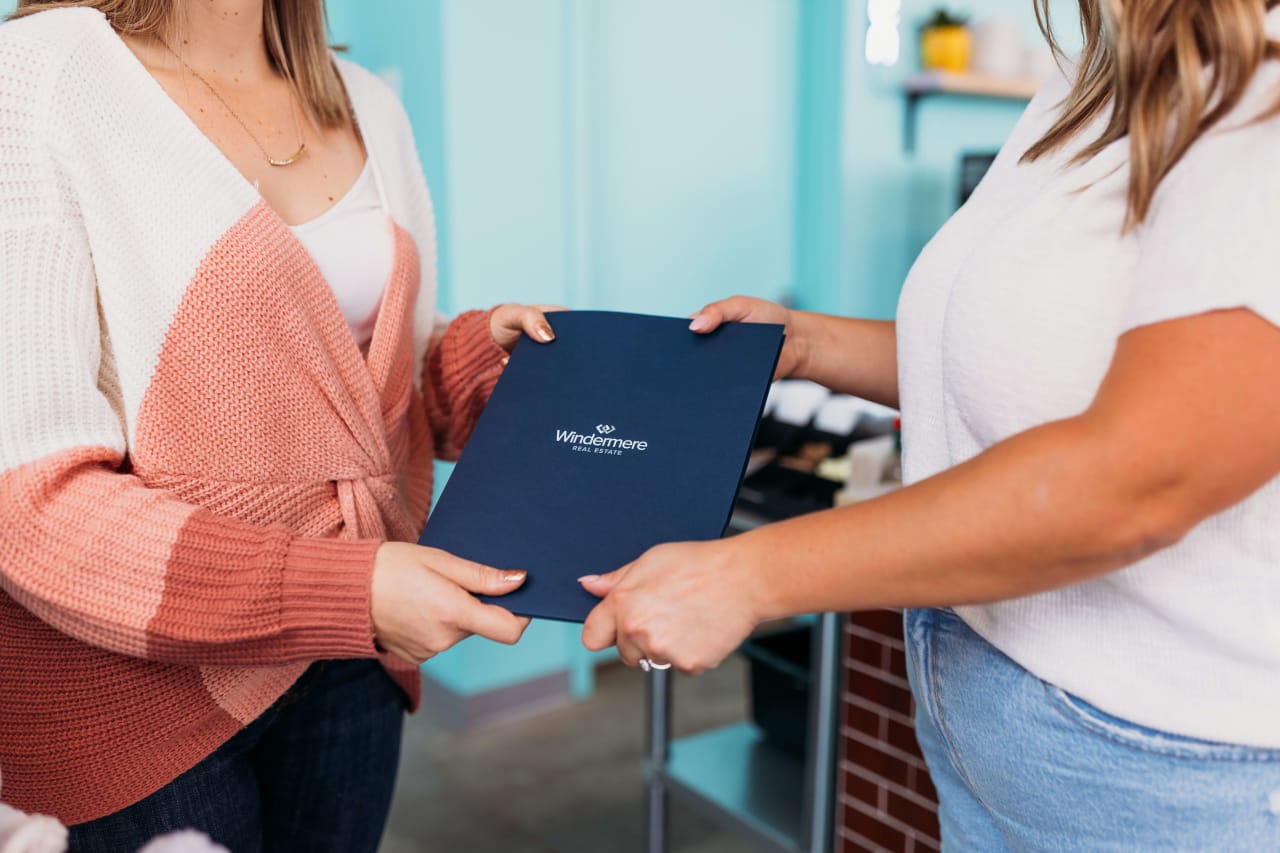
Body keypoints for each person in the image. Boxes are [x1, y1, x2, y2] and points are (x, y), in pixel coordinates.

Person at [581, 1, 1280, 849]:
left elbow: (1140, 478)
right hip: (993, 709)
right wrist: (804, 345)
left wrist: (747, 575)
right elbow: (1015, 353)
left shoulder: (1260, 101)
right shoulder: (1092, 74)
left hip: (1167, 768)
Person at [0, 0, 558, 850]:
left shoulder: (364, 99)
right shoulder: (35, 77)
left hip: (351, 659)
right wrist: (350, 589)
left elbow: (363, 391)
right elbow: (28, 502)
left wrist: (485, 365)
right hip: (138, 692)